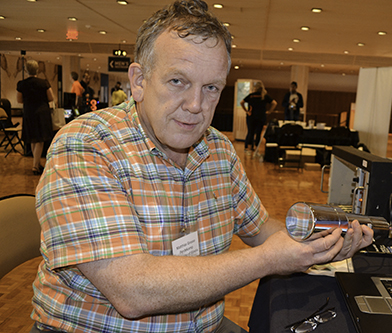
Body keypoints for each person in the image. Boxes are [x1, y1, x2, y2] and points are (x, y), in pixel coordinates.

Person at [32, 1, 373, 332]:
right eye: (178, 81)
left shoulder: (218, 150)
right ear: (138, 81)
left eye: (210, 88)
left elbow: (261, 230)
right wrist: (268, 259)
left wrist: (321, 245)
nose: (196, 106)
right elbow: (131, 290)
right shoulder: (86, 145)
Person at [16, 60, 54, 175]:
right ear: (37, 70)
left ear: (26, 70)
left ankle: (36, 163)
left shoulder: (21, 84)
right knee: (40, 140)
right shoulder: (43, 83)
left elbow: (19, 100)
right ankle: (35, 166)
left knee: (33, 139)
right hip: (42, 112)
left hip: (29, 112)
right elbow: (51, 97)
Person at [240, 81, 277, 152]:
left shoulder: (251, 95)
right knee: (259, 132)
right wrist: (269, 111)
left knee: (250, 132)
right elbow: (274, 103)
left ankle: (248, 147)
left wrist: (246, 111)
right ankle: (256, 147)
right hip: (261, 116)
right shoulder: (264, 96)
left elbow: (242, 102)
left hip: (251, 116)